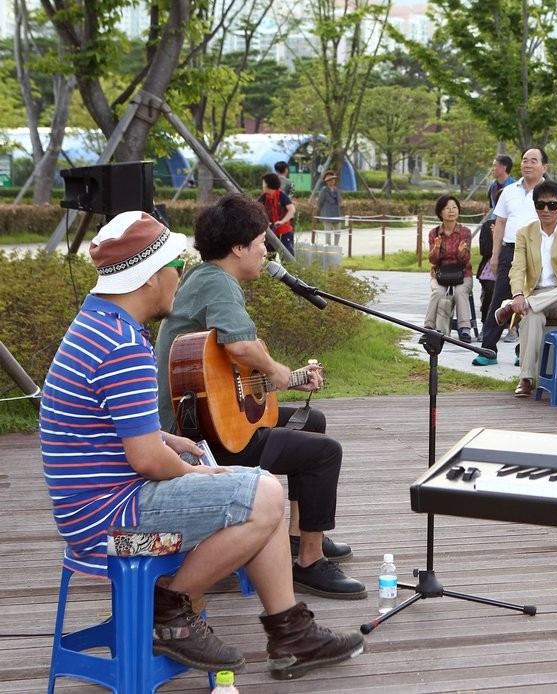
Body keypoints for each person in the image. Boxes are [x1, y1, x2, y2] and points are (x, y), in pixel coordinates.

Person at [40, 210, 363, 680]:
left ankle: (291, 635)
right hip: (111, 523)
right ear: (150, 276)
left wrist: (169, 438)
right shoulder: (122, 346)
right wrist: (201, 473)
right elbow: (147, 461)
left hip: (88, 509)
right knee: (263, 493)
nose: (180, 275)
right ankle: (170, 606)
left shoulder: (97, 325)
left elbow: (111, 427)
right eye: (175, 266)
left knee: (255, 489)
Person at [156, 193, 365, 600]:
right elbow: (240, 347)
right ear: (238, 248)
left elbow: (221, 373)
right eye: (260, 243)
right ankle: (309, 562)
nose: (266, 251)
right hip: (197, 438)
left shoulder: (202, 277)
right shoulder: (219, 283)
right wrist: (278, 371)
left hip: (201, 417)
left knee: (313, 422)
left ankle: (300, 535)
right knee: (325, 453)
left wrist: (283, 378)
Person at [491, 180, 557, 397]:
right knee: (531, 316)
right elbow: (517, 268)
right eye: (540, 205)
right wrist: (518, 294)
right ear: (535, 206)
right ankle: (526, 379)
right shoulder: (524, 233)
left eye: (552, 205)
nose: (546, 210)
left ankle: (519, 305)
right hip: (538, 297)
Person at [473, 147, 550, 366]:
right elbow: (500, 224)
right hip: (510, 250)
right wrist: (495, 255)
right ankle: (488, 350)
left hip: (537, 251)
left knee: (528, 301)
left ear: (544, 167)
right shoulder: (509, 191)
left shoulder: (551, 192)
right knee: (499, 299)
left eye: (533, 161)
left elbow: (556, 228)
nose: (527, 164)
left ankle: (521, 351)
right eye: (525, 160)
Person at [425, 194, 473, 341]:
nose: (451, 211)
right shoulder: (434, 233)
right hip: (440, 273)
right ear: (440, 212)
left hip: (462, 272)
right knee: (438, 292)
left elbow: (466, 260)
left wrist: (461, 252)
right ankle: (428, 328)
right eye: (447, 208)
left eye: (454, 207)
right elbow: (432, 260)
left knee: (460, 292)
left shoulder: (465, 232)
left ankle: (464, 329)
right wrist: (436, 248)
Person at [477, 187, 501, 322]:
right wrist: (494, 238)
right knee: (491, 289)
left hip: (512, 266)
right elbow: (484, 250)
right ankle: (486, 323)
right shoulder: (488, 226)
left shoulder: (518, 226)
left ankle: (513, 326)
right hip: (491, 268)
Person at [258, 172, 297, 256]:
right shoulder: (263, 197)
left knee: (286, 255)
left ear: (268, 184)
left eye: (264, 183)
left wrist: (282, 221)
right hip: (270, 232)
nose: (263, 185)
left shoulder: (282, 196)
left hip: (284, 231)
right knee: (268, 255)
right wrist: (265, 221)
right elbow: (257, 210)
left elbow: (292, 210)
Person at [316, 170, 342, 238]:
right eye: (329, 180)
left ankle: (336, 244)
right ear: (327, 181)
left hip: (336, 214)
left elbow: (340, 201)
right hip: (327, 215)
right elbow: (319, 202)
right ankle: (327, 245)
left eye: (333, 179)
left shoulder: (337, 190)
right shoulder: (324, 190)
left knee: (338, 233)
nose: (332, 181)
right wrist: (319, 211)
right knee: (328, 234)